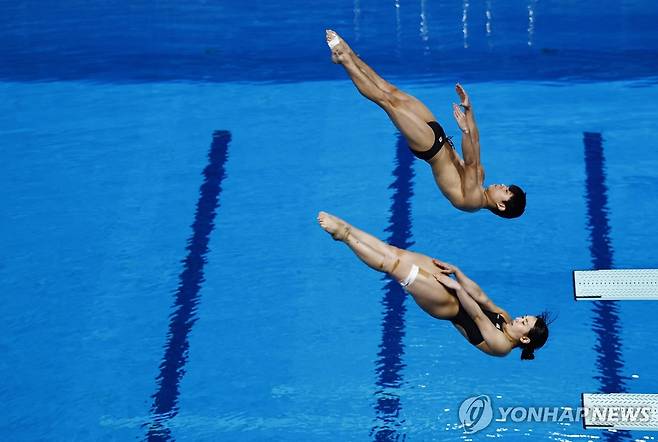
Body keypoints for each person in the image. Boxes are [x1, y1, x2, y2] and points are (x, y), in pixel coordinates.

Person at [326, 30, 526, 218]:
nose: (502, 185)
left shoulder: (473, 202)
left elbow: (471, 160)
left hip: (430, 147)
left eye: (506, 191)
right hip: (438, 134)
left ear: (501, 205)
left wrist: (464, 130)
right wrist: (468, 108)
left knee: (385, 101)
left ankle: (344, 60)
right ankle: (349, 54)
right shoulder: (481, 177)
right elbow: (477, 141)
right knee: (391, 91)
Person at [317, 211, 549, 358]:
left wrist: (457, 288)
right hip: (456, 293)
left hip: (447, 306)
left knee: (393, 265)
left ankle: (344, 236)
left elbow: (477, 316)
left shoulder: (501, 347)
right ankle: (348, 227)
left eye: (524, 322)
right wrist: (458, 272)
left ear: (524, 338)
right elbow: (482, 298)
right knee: (395, 252)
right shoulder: (505, 318)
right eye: (525, 316)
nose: (520, 318)